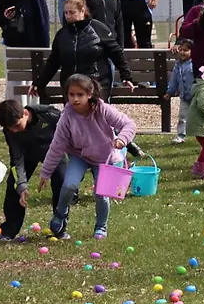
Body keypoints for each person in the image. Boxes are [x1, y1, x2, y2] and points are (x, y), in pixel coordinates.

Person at [32, 74, 138, 241]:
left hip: (104, 157)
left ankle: (101, 226)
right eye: (71, 94)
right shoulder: (66, 116)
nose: (75, 99)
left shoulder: (102, 109)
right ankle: (60, 213)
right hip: (79, 155)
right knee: (69, 185)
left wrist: (122, 139)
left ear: (89, 94)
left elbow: (128, 124)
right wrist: (45, 172)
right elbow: (57, 146)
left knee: (101, 194)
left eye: (80, 94)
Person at [0, 96, 62, 240]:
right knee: (13, 186)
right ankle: (9, 230)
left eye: (17, 126)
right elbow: (16, 158)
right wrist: (21, 185)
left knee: (61, 183)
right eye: (11, 129)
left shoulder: (49, 115)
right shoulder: (10, 130)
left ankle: (59, 228)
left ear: (25, 113)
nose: (14, 131)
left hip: (54, 153)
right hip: (27, 155)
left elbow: (69, 131)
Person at [36, 0, 126, 98]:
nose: (68, 16)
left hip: (95, 83)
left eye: (72, 12)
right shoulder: (62, 34)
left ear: (82, 11)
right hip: (71, 86)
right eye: (65, 13)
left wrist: (126, 75)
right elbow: (53, 62)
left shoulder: (98, 28)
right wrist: (39, 83)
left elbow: (116, 52)